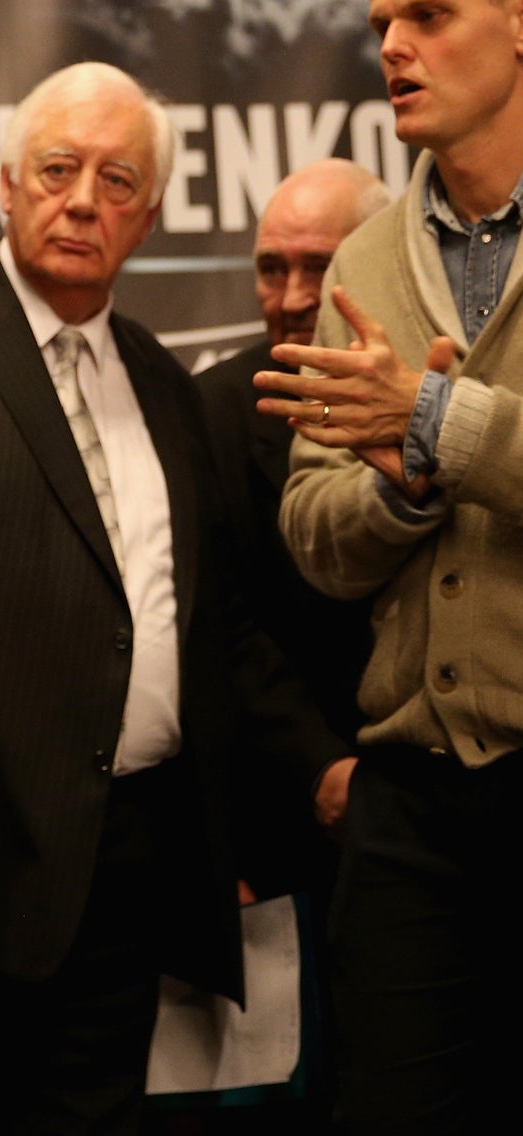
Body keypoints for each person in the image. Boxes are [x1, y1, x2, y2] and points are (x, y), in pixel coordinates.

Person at [0, 63, 352, 1135]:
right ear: (5, 184)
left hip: (131, 873)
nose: (82, 199)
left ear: (146, 215)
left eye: (116, 180)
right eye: (57, 170)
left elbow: (205, 620)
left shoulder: (158, 379)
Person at [270, 0, 523, 1133]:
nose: (391, 49)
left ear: (519, 24)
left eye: (427, 15)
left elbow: (424, 423)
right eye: (380, 24)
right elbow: (312, 533)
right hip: (409, 806)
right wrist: (400, 485)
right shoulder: (364, 257)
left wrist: (433, 426)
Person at [197, 161, 389, 904]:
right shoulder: (208, 410)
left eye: (321, 267)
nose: (293, 298)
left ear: (376, 261)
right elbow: (219, 622)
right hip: (275, 817)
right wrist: (320, 767)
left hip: (452, 802)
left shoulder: (447, 390)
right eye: (271, 269)